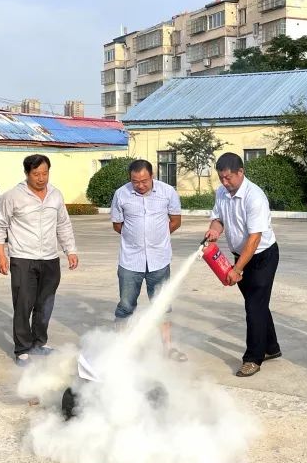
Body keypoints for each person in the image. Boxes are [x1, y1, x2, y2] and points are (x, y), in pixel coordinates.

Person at [0, 154, 78, 365]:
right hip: (23, 259)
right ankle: (22, 348)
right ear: (27, 173)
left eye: (45, 173)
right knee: (23, 304)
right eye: (36, 174)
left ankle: (39, 343)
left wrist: (70, 250)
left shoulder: (55, 195)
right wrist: (1, 255)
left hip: (50, 259)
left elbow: (63, 224)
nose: (41, 178)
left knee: (45, 304)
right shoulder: (12, 196)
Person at [203, 152, 280, 378]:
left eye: (229, 178)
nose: (225, 183)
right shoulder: (222, 193)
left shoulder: (255, 197)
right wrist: (214, 230)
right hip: (241, 254)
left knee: (253, 306)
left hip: (262, 256)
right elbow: (218, 219)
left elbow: (255, 239)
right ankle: (271, 347)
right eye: (221, 178)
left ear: (240, 173)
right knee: (257, 303)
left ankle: (253, 359)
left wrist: (237, 270)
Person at [110, 159, 185, 359]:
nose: (140, 185)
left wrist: (159, 236)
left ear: (152, 176)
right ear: (130, 179)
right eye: (135, 181)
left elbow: (176, 221)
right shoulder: (121, 194)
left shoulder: (168, 192)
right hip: (130, 261)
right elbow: (118, 225)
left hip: (159, 260)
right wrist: (137, 238)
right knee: (126, 305)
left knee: (161, 305)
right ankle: (121, 348)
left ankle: (168, 348)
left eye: (144, 181)